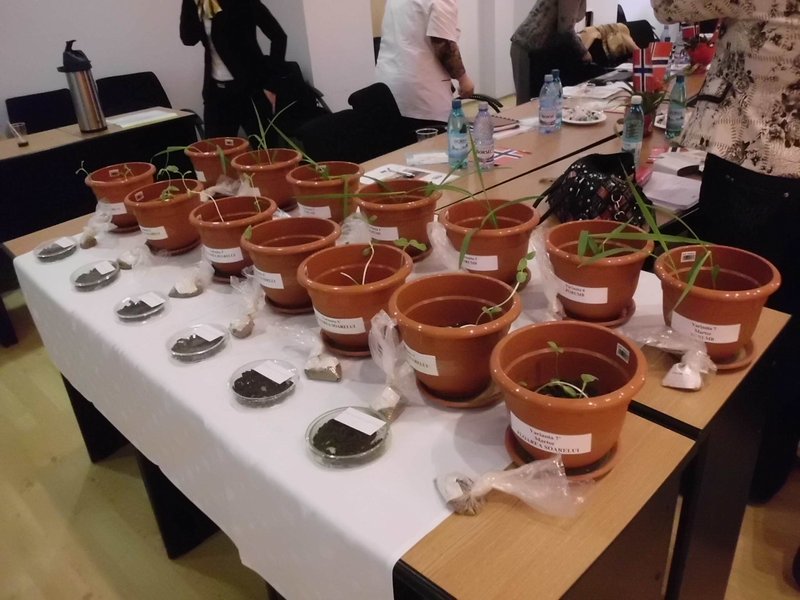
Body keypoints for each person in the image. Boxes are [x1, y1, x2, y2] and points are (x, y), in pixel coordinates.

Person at [650, 0, 800, 503]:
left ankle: (721, 473)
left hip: (760, 161)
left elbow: (671, 5)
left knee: (726, 324)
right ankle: (764, 468)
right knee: (787, 328)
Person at [180, 0, 287, 139]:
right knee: (216, 149)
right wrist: (190, 4)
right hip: (216, 93)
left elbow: (279, 37)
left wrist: (271, 85)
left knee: (265, 148)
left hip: (251, 89)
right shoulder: (201, 4)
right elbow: (189, 39)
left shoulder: (243, 3)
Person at [375, 0, 475, 127]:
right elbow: (443, 45)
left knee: (399, 137)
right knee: (431, 138)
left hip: (388, 85)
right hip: (421, 93)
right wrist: (463, 80)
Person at [511, 0, 593, 104]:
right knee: (527, 104)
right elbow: (566, 30)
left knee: (546, 102)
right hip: (528, 47)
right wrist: (584, 53)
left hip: (543, 51)